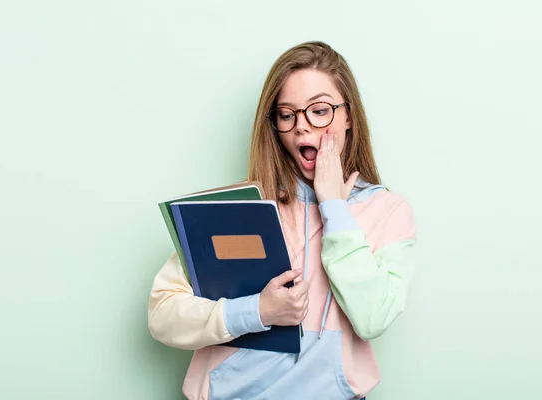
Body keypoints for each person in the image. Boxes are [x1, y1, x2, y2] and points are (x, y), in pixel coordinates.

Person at [148, 41, 417, 400]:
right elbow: (163, 314)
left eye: (319, 110)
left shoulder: (387, 210)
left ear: (348, 115)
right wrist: (257, 310)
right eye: (287, 114)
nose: (302, 128)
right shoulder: (238, 208)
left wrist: (334, 206)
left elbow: (373, 318)